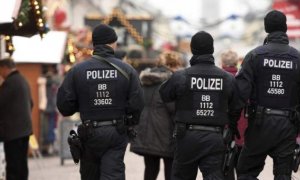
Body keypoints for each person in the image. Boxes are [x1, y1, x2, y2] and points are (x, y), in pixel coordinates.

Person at [56, 24, 144, 180]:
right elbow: (137, 103)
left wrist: (83, 105)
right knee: (113, 174)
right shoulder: (127, 70)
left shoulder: (78, 70)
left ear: (94, 44)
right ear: (113, 43)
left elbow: (64, 106)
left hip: (89, 132)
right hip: (116, 131)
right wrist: (129, 122)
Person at [159, 31, 241, 180]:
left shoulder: (181, 76)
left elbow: (164, 94)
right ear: (212, 49)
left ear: (192, 49)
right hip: (215, 137)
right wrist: (231, 127)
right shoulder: (227, 78)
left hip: (186, 137)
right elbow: (236, 106)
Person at [235, 10, 300, 180]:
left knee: (245, 172)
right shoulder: (297, 58)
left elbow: (240, 93)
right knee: (283, 175)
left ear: (266, 28)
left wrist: (231, 121)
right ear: (285, 28)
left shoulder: (255, 56)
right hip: (288, 125)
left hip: (259, 125)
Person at [130, 51, 183, 180]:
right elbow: (174, 109)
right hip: (165, 133)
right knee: (170, 170)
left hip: (145, 132)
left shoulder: (144, 80)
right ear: (172, 65)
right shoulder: (170, 82)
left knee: (150, 169)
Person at [0, 58, 33, 180]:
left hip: (13, 131)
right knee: (22, 164)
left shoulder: (9, 83)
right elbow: (31, 103)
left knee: (13, 166)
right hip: (24, 130)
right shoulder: (23, 80)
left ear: (4, 68)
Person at [221, 50, 248, 180]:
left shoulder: (219, 79)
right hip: (243, 132)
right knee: (242, 170)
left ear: (222, 62)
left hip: (224, 133)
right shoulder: (244, 79)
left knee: (225, 169)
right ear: (236, 62)